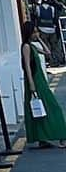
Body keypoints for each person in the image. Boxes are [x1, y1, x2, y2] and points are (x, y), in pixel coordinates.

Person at [21, 19, 66, 148]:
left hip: (40, 79)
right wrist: (31, 84)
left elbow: (47, 52)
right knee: (50, 107)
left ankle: (43, 138)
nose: (37, 34)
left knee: (44, 108)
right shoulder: (26, 47)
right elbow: (27, 66)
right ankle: (60, 135)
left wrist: (39, 39)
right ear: (28, 33)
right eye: (34, 32)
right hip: (35, 80)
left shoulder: (32, 45)